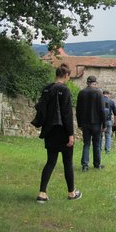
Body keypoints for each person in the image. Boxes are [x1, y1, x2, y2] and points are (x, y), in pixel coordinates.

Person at [37, 64, 81, 203]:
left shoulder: (46, 89)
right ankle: (71, 193)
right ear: (66, 75)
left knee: (50, 161)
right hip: (62, 131)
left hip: (49, 130)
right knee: (67, 162)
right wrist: (71, 134)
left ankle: (42, 193)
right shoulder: (64, 90)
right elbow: (67, 114)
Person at [76, 75, 106, 171]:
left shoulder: (81, 93)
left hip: (85, 123)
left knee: (86, 144)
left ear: (87, 83)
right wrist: (104, 124)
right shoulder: (98, 93)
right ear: (95, 83)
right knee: (97, 144)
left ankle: (85, 165)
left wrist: (79, 123)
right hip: (96, 123)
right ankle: (97, 164)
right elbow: (102, 110)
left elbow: (78, 110)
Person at [101, 90, 116, 154]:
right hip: (109, 120)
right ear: (108, 94)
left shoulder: (100, 101)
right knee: (108, 136)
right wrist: (115, 121)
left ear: (103, 94)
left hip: (101, 121)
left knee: (100, 135)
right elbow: (115, 113)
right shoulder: (111, 102)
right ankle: (107, 151)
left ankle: (99, 149)